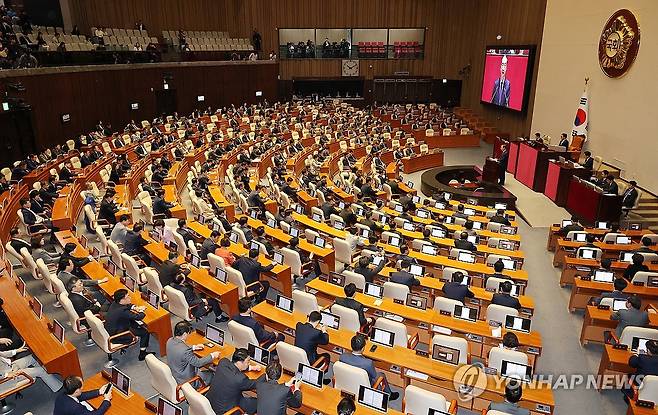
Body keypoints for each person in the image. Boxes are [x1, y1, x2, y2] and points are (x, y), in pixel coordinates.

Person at [339, 335, 399, 400]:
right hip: (363, 387)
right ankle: (390, 395)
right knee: (381, 375)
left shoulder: (342, 356)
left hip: (347, 382)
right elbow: (374, 376)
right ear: (363, 348)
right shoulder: (368, 363)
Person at [206, 348, 264, 415]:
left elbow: (234, 367)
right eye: (248, 361)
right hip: (225, 411)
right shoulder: (240, 379)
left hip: (210, 403)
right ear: (240, 362)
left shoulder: (223, 362)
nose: (249, 363)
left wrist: (251, 368)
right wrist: (266, 374)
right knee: (257, 402)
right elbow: (255, 384)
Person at [105, 289, 152, 360]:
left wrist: (135, 308)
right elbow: (138, 317)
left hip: (114, 328)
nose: (130, 297)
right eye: (128, 296)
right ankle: (142, 354)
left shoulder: (115, 303)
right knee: (145, 332)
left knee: (135, 323)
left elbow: (127, 306)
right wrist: (142, 310)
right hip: (118, 335)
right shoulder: (122, 311)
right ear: (122, 299)